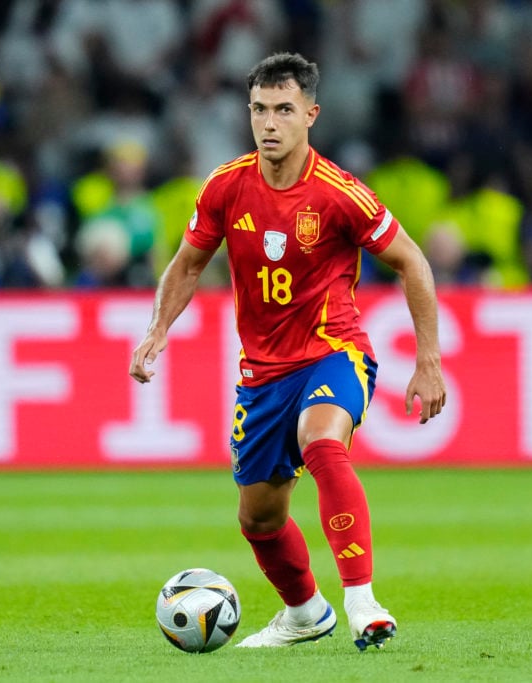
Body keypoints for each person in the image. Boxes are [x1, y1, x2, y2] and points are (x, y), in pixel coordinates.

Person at [128, 52, 446, 651]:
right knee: (259, 519)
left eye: (283, 110)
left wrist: (428, 360)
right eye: (258, 109)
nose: (268, 123)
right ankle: (305, 613)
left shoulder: (339, 194)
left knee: (321, 441)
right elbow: (188, 264)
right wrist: (157, 328)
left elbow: (413, 263)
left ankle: (362, 602)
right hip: (262, 376)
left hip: (333, 353)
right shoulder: (225, 186)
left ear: (310, 115)